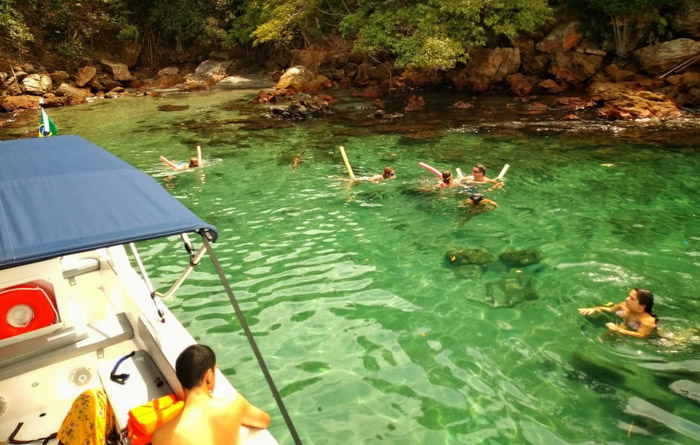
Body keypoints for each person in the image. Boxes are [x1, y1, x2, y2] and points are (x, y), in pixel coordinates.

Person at [152, 344, 270, 445]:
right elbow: (264, 421)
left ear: (179, 377)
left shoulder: (161, 437)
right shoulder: (234, 404)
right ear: (209, 376)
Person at [578, 288, 658, 338]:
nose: (627, 299)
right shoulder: (624, 305)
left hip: (653, 338)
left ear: (642, 306)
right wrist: (595, 309)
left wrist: (619, 330)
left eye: (632, 299)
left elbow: (641, 335)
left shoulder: (647, 321)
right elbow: (610, 309)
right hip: (624, 325)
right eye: (628, 296)